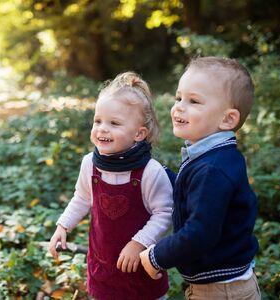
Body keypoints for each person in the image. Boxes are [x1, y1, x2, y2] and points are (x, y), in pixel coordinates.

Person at [139, 57, 261, 299]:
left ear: (227, 119)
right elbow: (194, 192)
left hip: (220, 291)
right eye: (178, 98)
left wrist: (157, 256)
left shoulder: (212, 169)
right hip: (224, 284)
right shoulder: (217, 156)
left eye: (193, 101)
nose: (179, 107)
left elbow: (199, 233)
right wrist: (159, 173)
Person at [49, 72, 173, 300]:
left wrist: (139, 243)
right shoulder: (90, 164)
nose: (102, 128)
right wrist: (63, 226)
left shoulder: (149, 172)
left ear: (139, 133)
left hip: (141, 269)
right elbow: (82, 198)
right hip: (103, 265)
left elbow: (165, 213)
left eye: (114, 123)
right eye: (98, 121)